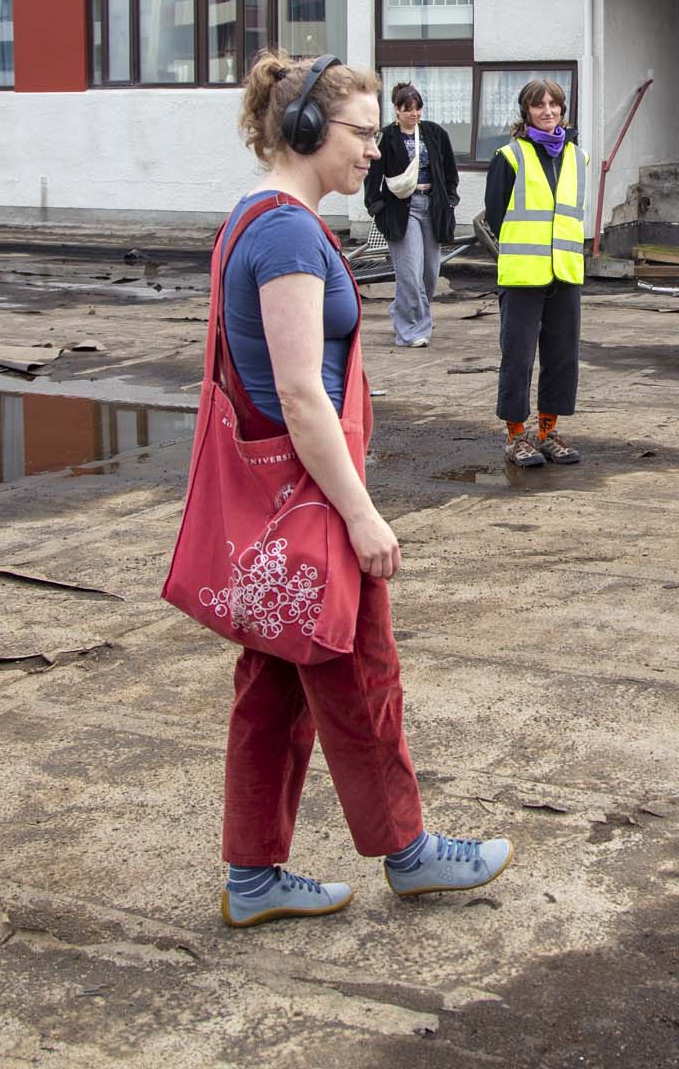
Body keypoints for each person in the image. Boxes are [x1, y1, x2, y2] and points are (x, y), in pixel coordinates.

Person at [214, 51, 511, 927]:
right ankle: (410, 854)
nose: (376, 152)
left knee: (271, 686)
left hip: (280, 508)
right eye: (361, 133)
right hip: (309, 502)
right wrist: (362, 514)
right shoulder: (286, 233)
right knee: (360, 674)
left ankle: (254, 876)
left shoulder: (256, 221)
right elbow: (302, 395)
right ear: (306, 132)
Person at [484, 77, 584, 470]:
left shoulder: (577, 156)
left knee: (562, 357)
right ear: (525, 111)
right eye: (539, 105)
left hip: (565, 272)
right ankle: (515, 436)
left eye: (554, 104)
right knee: (519, 357)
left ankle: (548, 432)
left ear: (563, 109)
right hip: (523, 273)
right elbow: (495, 215)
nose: (548, 111)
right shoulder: (509, 156)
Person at [364, 82, 459, 349]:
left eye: (418, 108)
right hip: (402, 209)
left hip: (433, 206)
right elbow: (372, 176)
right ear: (396, 109)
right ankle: (412, 330)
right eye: (408, 109)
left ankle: (406, 311)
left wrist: (451, 199)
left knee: (430, 272)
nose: (414, 114)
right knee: (409, 272)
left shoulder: (434, 133)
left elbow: (450, 169)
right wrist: (377, 208)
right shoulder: (385, 137)